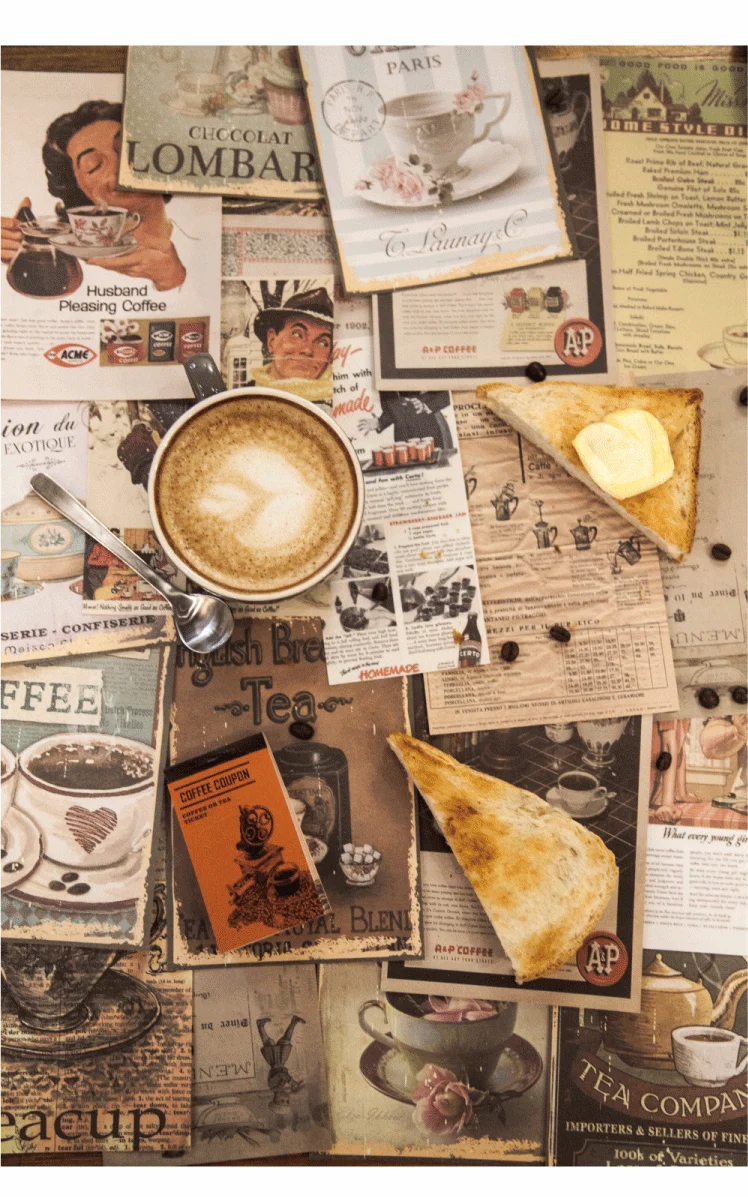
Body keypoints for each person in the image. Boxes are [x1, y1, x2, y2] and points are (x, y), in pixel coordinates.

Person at [1, 100, 185, 291]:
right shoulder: (72, 266)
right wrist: (27, 257)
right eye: (94, 165)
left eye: (126, 150)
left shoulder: (198, 240)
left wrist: (173, 279)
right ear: (80, 191)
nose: (119, 167)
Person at [251, 287, 333, 399]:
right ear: (272, 340)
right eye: (297, 334)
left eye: (323, 343)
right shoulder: (243, 396)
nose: (308, 350)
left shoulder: (337, 402)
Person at [357, 391, 451, 449]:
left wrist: (424, 404)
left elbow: (445, 395)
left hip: (431, 427)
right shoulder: (382, 372)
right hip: (403, 434)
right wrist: (380, 422)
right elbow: (394, 407)